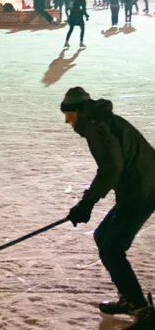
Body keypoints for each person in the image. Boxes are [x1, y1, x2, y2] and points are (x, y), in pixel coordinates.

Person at [62, 87, 155, 325]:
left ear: (79, 112)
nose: (67, 121)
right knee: (103, 237)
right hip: (138, 188)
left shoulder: (97, 127)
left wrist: (87, 203)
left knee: (112, 247)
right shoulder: (99, 121)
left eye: (69, 115)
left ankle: (142, 310)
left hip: (143, 191)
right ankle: (129, 299)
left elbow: (111, 168)